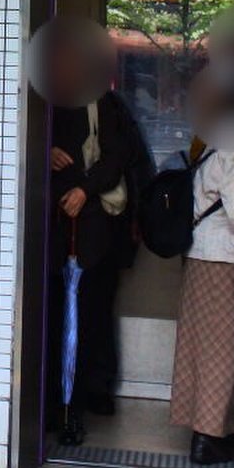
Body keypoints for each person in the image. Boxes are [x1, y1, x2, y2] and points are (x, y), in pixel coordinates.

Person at [45, 38, 152, 441]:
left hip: (92, 229)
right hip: (55, 229)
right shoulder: (44, 101)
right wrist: (47, 150)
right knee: (60, 313)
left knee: (85, 313)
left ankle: (81, 400)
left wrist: (83, 191)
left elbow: (118, 158)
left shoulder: (103, 103)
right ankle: (60, 401)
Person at [169, 96, 234, 465]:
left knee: (203, 345)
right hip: (225, 259)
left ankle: (227, 425)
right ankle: (208, 438)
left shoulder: (215, 145)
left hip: (200, 254)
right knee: (225, 349)